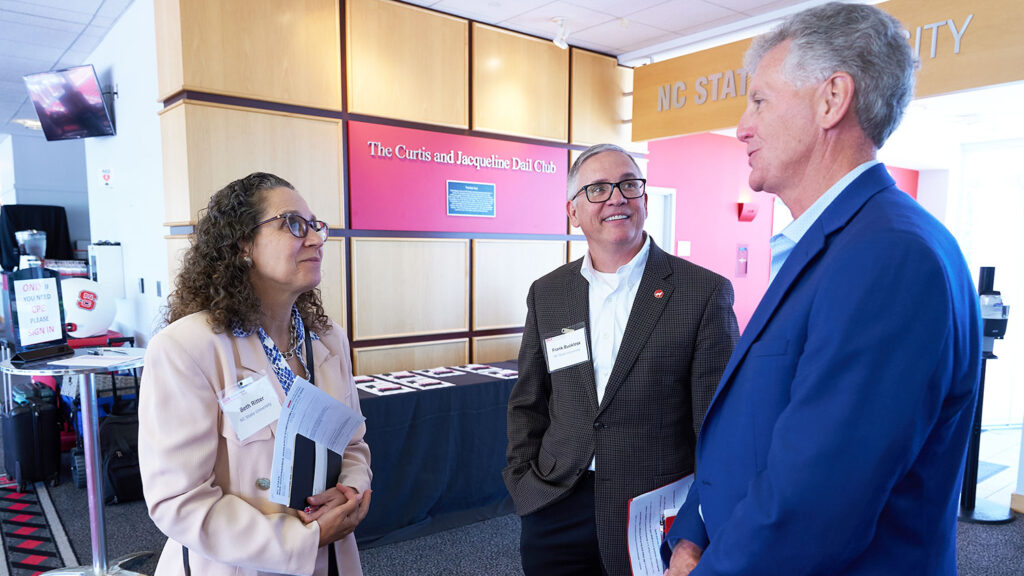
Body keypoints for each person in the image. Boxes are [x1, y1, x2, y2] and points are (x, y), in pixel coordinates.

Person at [662, 4, 981, 575]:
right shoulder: (843, 242)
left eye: (759, 100)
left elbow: (814, 510)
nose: (741, 126)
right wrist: (692, 531)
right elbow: (758, 425)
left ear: (832, 100)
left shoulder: (889, 258)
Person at [505, 143, 739, 575]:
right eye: (597, 189)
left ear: (645, 201)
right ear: (573, 212)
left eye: (628, 184)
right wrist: (523, 482)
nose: (615, 197)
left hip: (652, 513)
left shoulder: (702, 293)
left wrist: (698, 528)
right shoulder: (549, 293)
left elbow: (719, 429)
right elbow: (529, 400)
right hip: (554, 501)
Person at [138, 173, 372, 576]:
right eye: (293, 224)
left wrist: (351, 491)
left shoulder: (328, 339)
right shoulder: (187, 348)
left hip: (330, 557)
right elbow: (178, 501)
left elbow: (352, 443)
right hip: (237, 565)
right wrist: (304, 538)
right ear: (243, 245)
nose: (315, 239)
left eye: (315, 226)